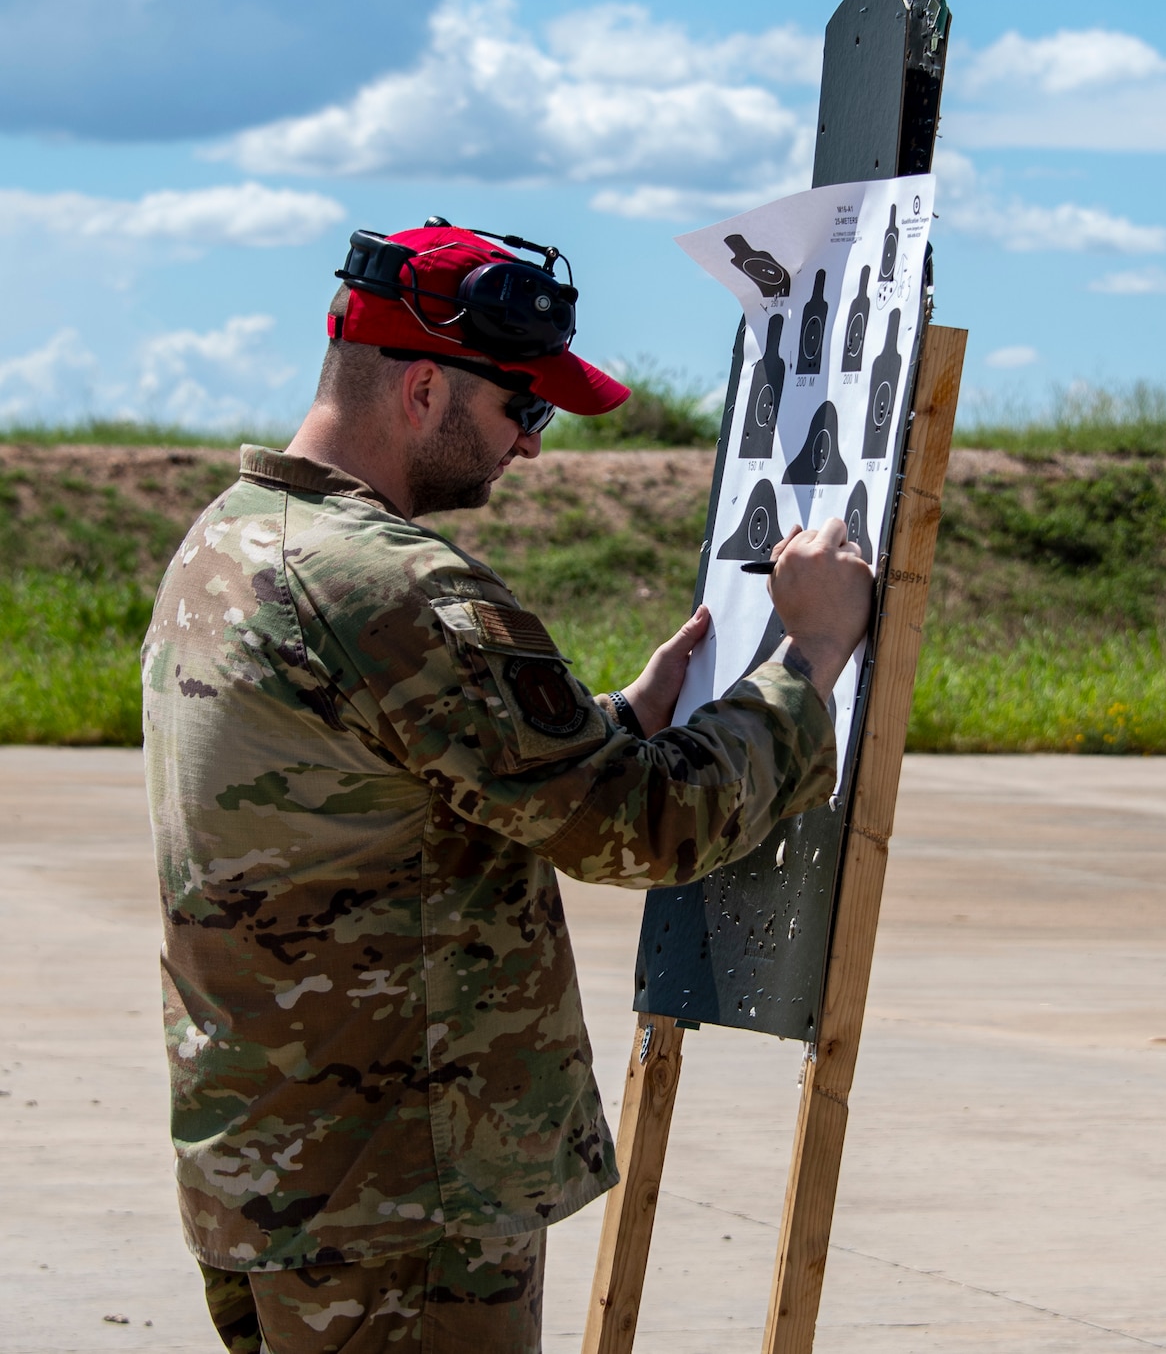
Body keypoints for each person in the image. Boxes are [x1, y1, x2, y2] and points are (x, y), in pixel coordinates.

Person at [142, 221, 874, 1353]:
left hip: (279, 1167)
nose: (530, 446)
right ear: (424, 387)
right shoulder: (390, 586)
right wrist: (809, 657)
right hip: (404, 1193)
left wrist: (618, 721)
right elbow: (645, 827)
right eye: (521, 409)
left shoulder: (232, 540)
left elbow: (400, 784)